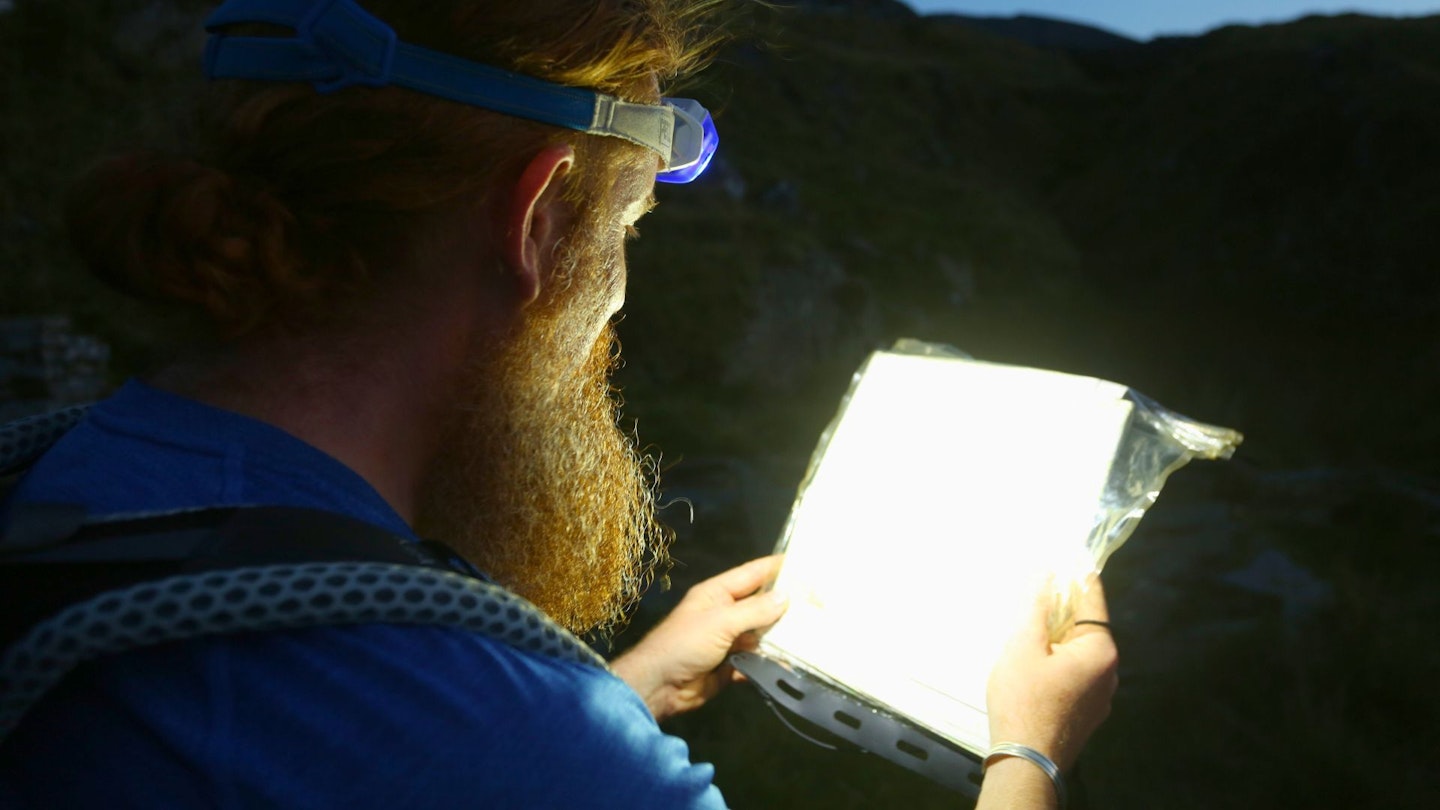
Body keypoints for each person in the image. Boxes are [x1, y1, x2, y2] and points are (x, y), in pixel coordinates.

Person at [0, 1, 1117, 807]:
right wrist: (1031, 755)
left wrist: (620, 691)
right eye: (626, 233)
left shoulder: (63, 481)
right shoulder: (497, 732)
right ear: (533, 221)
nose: (620, 301)